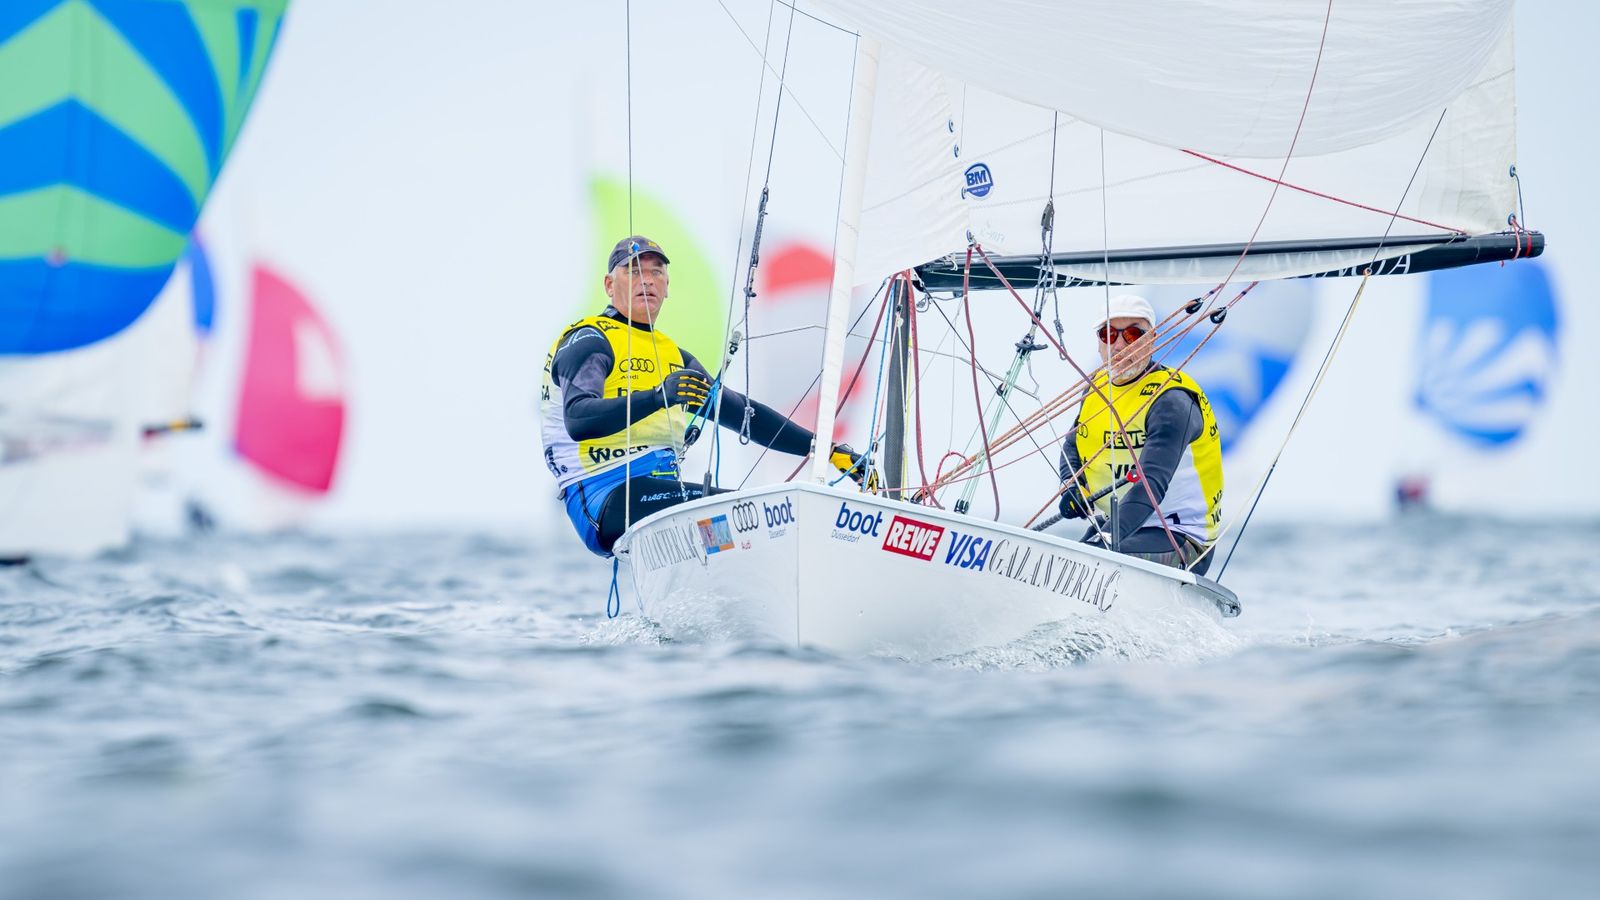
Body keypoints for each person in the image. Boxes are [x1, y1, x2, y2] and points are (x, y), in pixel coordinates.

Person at [541, 235, 872, 556]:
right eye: (634, 270)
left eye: (657, 271)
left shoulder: (673, 356)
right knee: (750, 514)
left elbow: (741, 415)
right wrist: (658, 397)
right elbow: (580, 418)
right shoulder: (588, 340)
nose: (648, 280)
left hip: (659, 496)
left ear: (668, 287)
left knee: (755, 517)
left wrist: (824, 449)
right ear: (610, 285)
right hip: (605, 497)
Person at [1057, 294, 1224, 574]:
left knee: (1086, 557)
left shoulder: (1171, 400)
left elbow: (1150, 484)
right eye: (1108, 334)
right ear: (1099, 342)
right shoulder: (1096, 389)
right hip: (1122, 529)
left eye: (1133, 334)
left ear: (1152, 339)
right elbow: (1072, 446)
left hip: (1180, 539)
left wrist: (1106, 539)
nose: (1120, 345)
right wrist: (1073, 485)